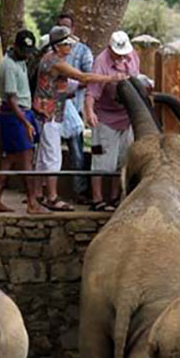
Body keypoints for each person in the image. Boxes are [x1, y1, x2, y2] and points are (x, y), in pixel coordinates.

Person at [33, 25, 126, 212]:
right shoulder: (55, 62)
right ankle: (51, 196)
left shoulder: (51, 59)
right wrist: (110, 78)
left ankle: (38, 195)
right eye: (67, 44)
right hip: (49, 114)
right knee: (52, 158)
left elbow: (67, 84)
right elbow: (82, 76)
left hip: (51, 113)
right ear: (58, 46)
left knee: (44, 157)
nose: (70, 48)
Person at [84, 31, 140, 212]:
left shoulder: (132, 58)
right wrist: (90, 111)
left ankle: (116, 196)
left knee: (122, 159)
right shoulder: (101, 61)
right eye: (118, 53)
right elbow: (92, 90)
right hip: (105, 118)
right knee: (100, 158)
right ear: (110, 49)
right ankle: (97, 198)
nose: (122, 56)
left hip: (126, 117)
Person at [0, 29, 45, 214]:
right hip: (15, 115)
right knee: (26, 158)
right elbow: (12, 100)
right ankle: (31, 202)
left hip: (23, 112)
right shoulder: (9, 66)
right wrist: (26, 123)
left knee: (9, 160)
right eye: (24, 52)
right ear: (15, 47)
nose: (27, 56)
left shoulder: (21, 61)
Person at [54, 13, 93, 204]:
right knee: (48, 152)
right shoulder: (49, 52)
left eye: (67, 26)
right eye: (61, 26)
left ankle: (79, 191)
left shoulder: (83, 51)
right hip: (51, 109)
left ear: (74, 29)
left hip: (73, 108)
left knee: (77, 152)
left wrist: (72, 86)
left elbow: (88, 77)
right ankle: (44, 193)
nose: (65, 30)